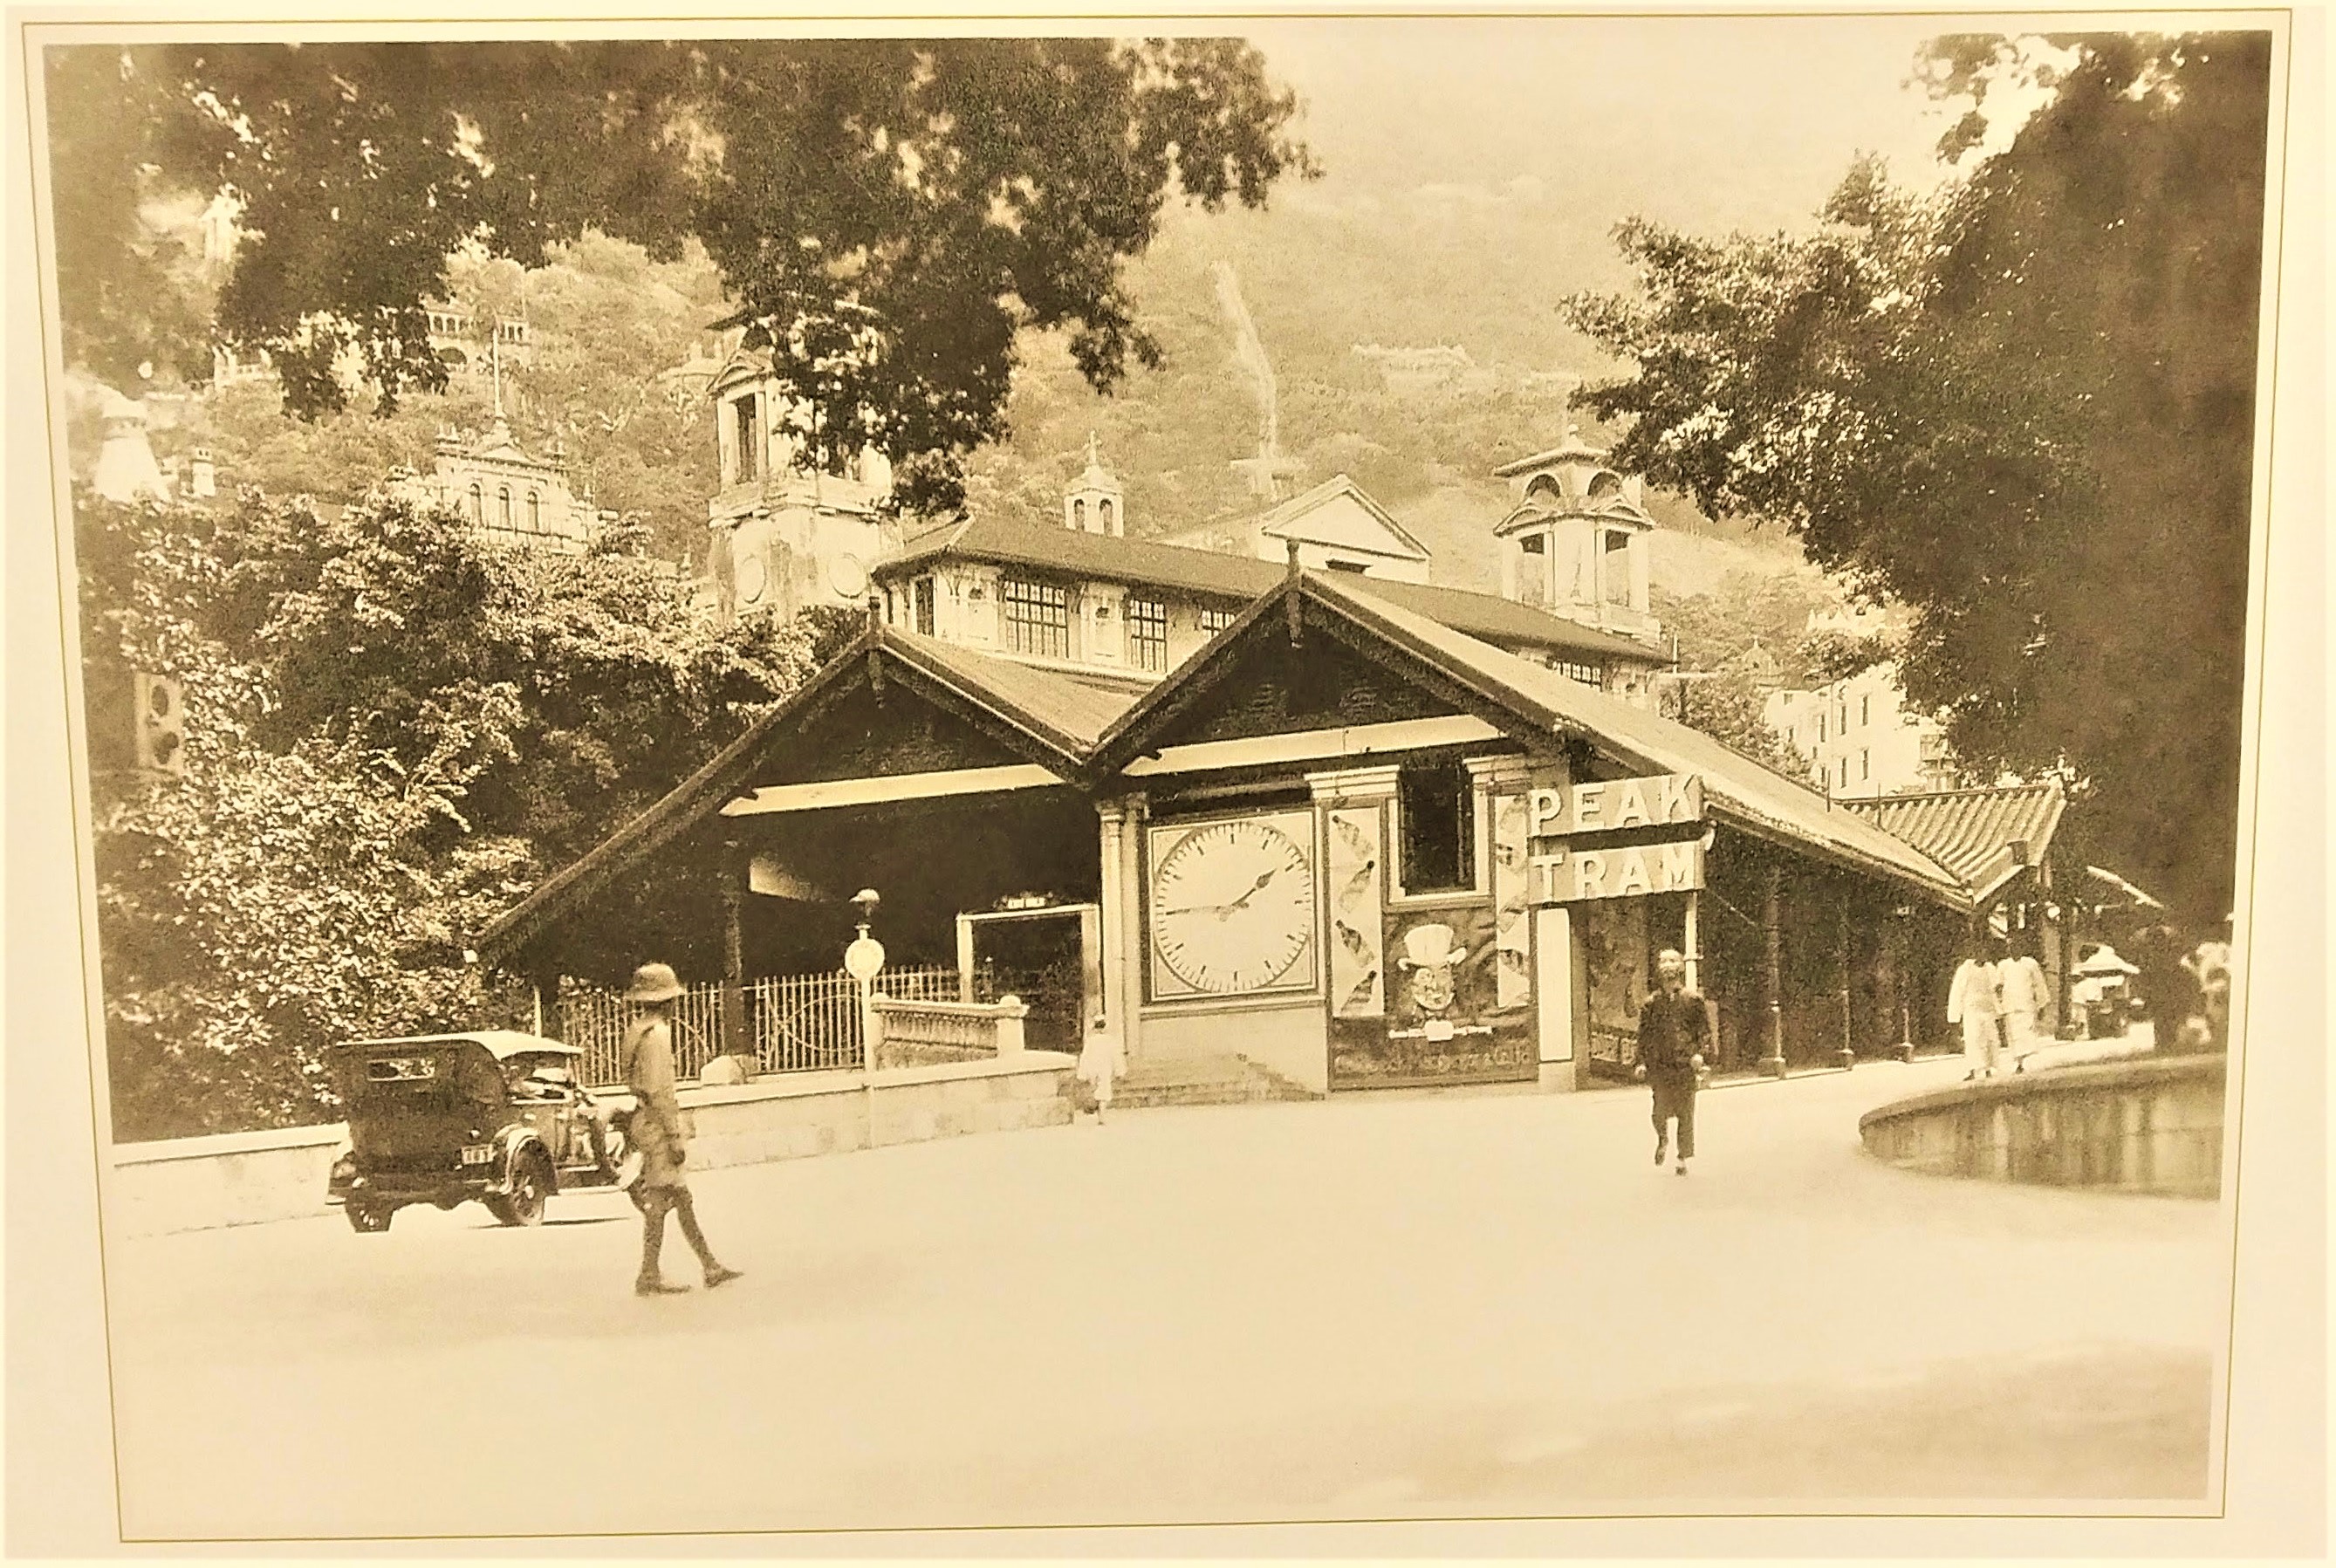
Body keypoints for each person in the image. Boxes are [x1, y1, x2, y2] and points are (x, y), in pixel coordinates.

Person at [620, 962, 742, 1297]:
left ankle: (709, 1265)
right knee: (662, 1201)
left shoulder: (637, 1030)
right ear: (667, 1001)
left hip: (644, 1118)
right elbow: (660, 1090)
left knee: (679, 1198)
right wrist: (674, 1135)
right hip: (658, 1123)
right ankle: (651, 1274)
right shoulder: (658, 1035)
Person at [1633, 948, 1708, 1175]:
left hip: (1685, 1064)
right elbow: (1643, 1035)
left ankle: (1682, 1157)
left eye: (1673, 961)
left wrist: (1699, 1054)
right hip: (1660, 1064)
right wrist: (1640, 1062)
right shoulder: (1651, 1004)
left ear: (1681, 967)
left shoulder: (1693, 1001)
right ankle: (1663, 1138)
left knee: (1686, 1112)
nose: (1667, 965)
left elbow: (1703, 1032)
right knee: (1659, 1111)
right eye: (1663, 961)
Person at [1947, 937, 2004, 1080]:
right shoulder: (1965, 970)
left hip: (1988, 1010)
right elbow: (1957, 992)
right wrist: (1955, 1015)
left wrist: (1999, 1008)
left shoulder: (1991, 969)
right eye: (1979, 952)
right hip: (1972, 1010)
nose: (1982, 955)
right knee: (1973, 1039)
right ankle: (1972, 1069)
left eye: (1985, 952)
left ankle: (1989, 1068)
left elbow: (1997, 988)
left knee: (1990, 1039)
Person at [1997, 937, 2053, 1071]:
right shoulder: (2003, 965)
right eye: (2010, 947)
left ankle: (2025, 1061)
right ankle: (2018, 1061)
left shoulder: (2030, 964)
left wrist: (2041, 1004)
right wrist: (1998, 1004)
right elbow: (1998, 984)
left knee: (2026, 1033)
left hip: (2026, 1004)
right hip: (2010, 1005)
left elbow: (2039, 984)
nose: (2013, 949)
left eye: (2017, 946)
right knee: (2013, 1035)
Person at [1076, 1016, 1124, 1124]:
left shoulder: (1090, 1041)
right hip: (1105, 1068)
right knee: (1104, 1091)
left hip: (1093, 1069)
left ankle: (1098, 1113)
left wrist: (1082, 1073)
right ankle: (1101, 1116)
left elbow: (1085, 1057)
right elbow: (1116, 1056)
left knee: (1096, 1090)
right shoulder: (1110, 1041)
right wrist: (1119, 1071)